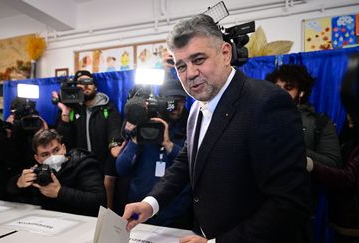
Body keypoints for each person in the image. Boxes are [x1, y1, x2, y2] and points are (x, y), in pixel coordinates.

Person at [122, 14, 311, 243]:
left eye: (198, 59)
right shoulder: (196, 108)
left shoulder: (267, 102)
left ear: (225, 53)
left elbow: (290, 203)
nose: (190, 73)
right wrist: (150, 204)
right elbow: (187, 163)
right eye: (181, 66)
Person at [266, 64, 342, 242]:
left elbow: (333, 164)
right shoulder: (259, 117)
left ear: (301, 92)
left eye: (289, 87)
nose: (281, 92)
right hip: (260, 211)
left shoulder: (320, 123)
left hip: (299, 213)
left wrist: (296, 151)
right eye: (277, 88)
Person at [116, 78, 192, 228]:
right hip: (141, 211)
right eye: (172, 102)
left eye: (181, 101)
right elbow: (121, 169)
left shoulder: (191, 127)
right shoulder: (144, 124)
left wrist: (168, 144)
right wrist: (135, 140)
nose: (176, 106)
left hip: (177, 213)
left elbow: (192, 167)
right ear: (162, 101)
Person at [306, 53, 359, 243]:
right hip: (340, 219)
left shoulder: (320, 122)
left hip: (351, 223)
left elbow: (347, 176)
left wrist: (311, 164)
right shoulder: (348, 135)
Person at [54, 70, 123, 210]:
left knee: (107, 204)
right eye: (80, 83)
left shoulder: (108, 107)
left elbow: (114, 129)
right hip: (81, 168)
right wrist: (65, 113)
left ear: (95, 86)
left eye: (88, 82)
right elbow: (64, 142)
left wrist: (114, 145)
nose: (85, 86)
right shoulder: (72, 110)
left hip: (105, 165)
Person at [7, 129, 106, 216]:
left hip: (82, 221)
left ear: (64, 148)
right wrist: (18, 182)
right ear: (38, 158)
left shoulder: (83, 164)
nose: (53, 157)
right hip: (49, 221)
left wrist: (60, 192)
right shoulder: (40, 171)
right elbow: (8, 190)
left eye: (56, 150)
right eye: (45, 154)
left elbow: (99, 200)